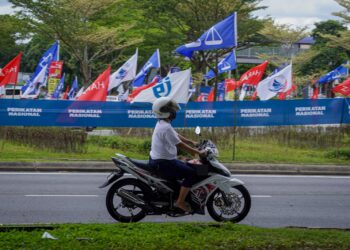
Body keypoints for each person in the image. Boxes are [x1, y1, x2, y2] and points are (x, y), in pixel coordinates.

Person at [149, 96, 206, 213]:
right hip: (163, 163)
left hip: (163, 160)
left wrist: (193, 142)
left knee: (191, 164)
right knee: (192, 174)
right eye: (171, 109)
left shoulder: (163, 123)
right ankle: (180, 202)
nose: (174, 112)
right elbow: (180, 145)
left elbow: (177, 136)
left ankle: (182, 192)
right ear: (164, 112)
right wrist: (198, 152)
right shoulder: (165, 127)